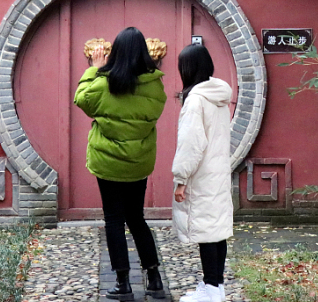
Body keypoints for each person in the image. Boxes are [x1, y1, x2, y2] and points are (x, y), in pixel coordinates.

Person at [74, 26, 168, 301]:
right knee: (136, 218)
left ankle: (123, 283)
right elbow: (155, 112)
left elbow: (82, 99)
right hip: (139, 162)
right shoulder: (155, 85)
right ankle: (154, 277)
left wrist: (94, 68)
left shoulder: (104, 83)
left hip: (108, 162)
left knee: (114, 220)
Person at [171, 44, 234, 302]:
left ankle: (210, 291)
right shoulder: (218, 96)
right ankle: (216, 288)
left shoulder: (196, 100)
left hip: (202, 175)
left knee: (207, 232)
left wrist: (181, 179)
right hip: (217, 172)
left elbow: (191, 144)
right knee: (216, 231)